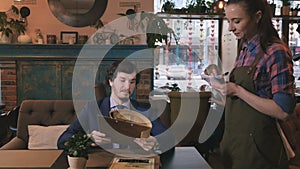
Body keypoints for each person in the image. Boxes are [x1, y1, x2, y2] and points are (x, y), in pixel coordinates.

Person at [212, 0, 296, 168]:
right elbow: (248, 100)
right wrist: (222, 89)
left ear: (257, 16)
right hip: (235, 143)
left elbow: (283, 111)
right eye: (229, 21)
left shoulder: (275, 51)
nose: (230, 28)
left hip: (259, 150)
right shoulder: (246, 48)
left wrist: (236, 90)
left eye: (237, 21)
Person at [57, 60, 168, 152]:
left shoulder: (145, 109)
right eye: (122, 80)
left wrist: (156, 142)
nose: (127, 86)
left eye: (132, 82)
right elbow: (62, 140)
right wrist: (89, 139)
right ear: (111, 81)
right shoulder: (93, 108)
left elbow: (169, 139)